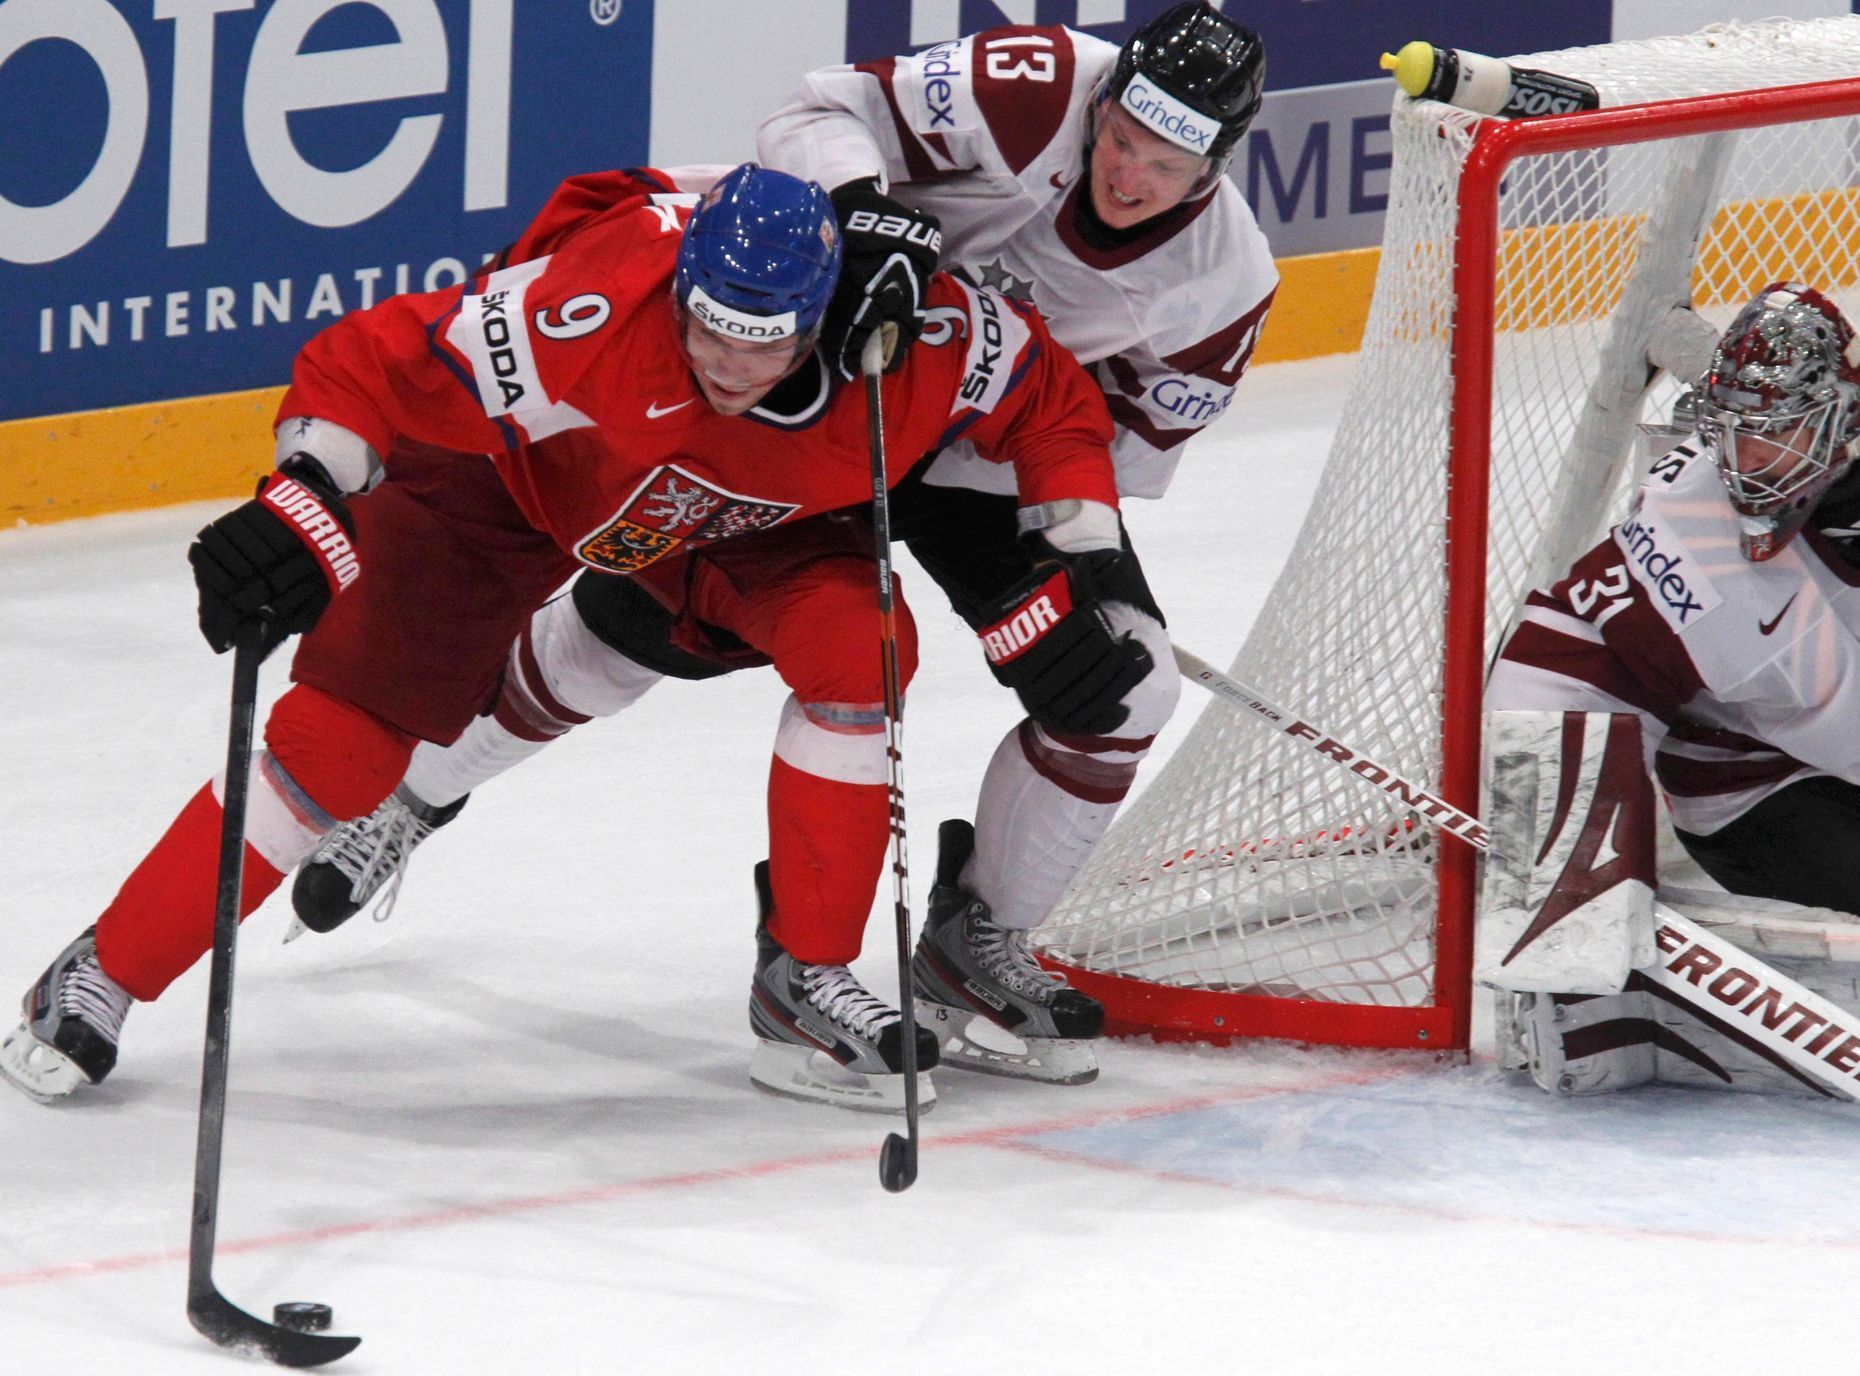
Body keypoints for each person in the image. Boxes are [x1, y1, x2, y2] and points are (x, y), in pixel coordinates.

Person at [0, 162, 1139, 1115]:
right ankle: (106, 965)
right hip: (511, 491)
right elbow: (367, 361)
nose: (728, 366)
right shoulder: (588, 310)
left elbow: (1052, 408)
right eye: (708, 330)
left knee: (866, 643)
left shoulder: (921, 340)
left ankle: (805, 977)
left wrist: (1079, 560)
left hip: (733, 525)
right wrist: (301, 497)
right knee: (340, 751)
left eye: (765, 346)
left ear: (828, 317)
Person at [290, 1, 1275, 1086]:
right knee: (634, 631)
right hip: (800, 363)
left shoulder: (1228, 285)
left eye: (1168, 161)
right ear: (1104, 104)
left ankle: (976, 942)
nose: (1129, 174)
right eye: (1124, 138)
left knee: (1120, 684)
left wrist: (1061, 556)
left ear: (1221, 161)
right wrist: (866, 216)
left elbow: (1122, 451)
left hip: (974, 438)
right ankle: (419, 792)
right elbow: (813, 115)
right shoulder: (1037, 79)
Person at [1484, 281, 1860, 1094]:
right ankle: (1607, 1016)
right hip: (1735, 775)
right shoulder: (1745, 596)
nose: (1745, 463)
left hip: (1764, 706)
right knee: (1575, 1010)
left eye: (1774, 435)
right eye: (1733, 435)